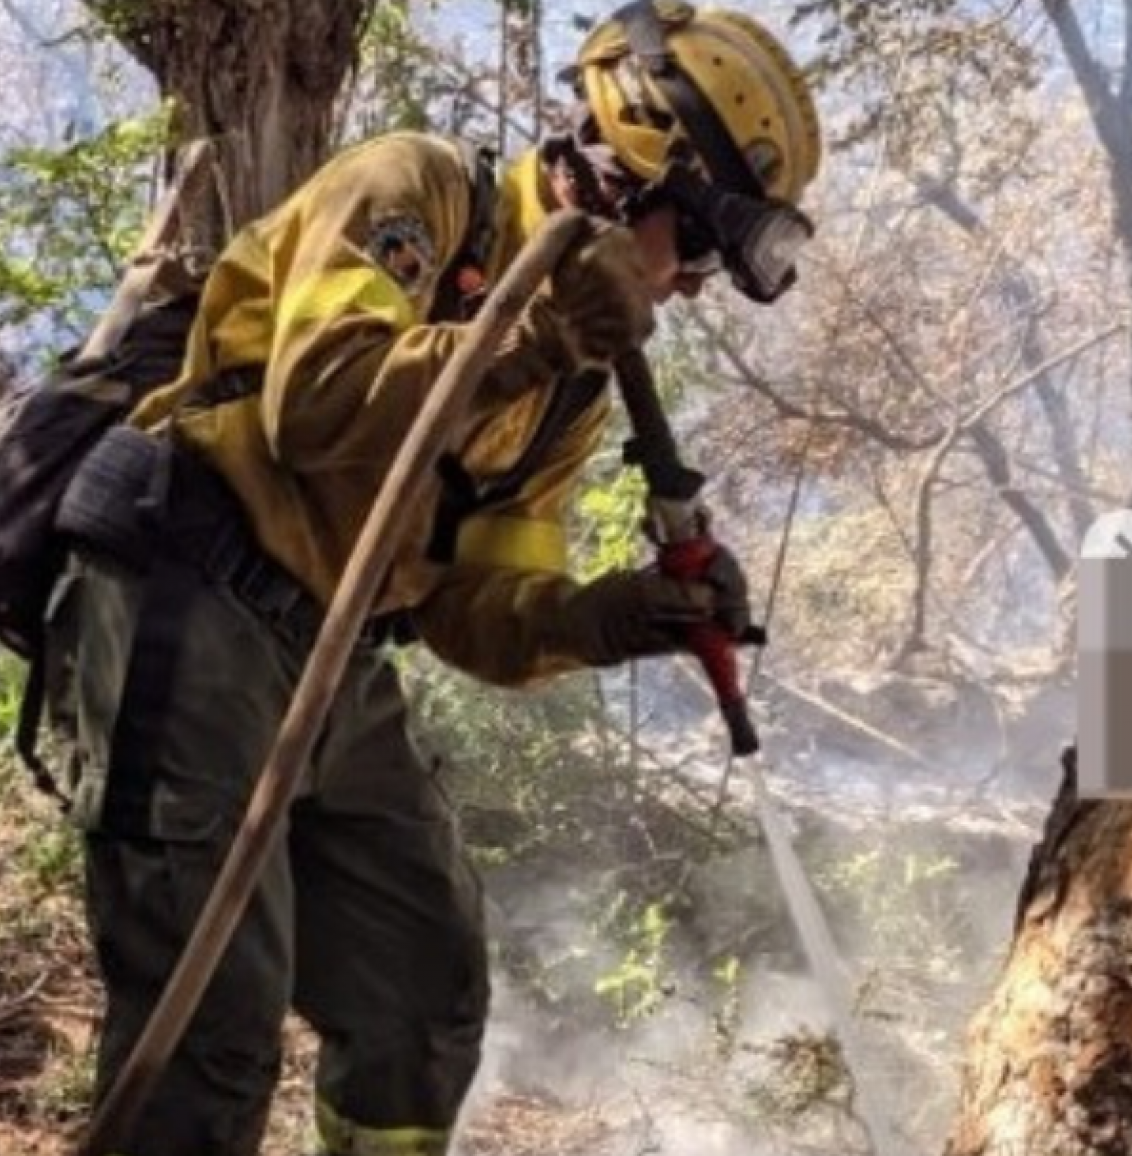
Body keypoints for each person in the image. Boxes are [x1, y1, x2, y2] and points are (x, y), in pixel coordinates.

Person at [41, 2, 821, 1153]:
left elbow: (474, 614)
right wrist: (534, 331)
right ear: (643, 171)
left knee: (423, 983)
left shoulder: (575, 393)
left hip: (330, 657)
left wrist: (614, 617)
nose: (694, 286)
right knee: (212, 1024)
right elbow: (312, 403)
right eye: (701, 245)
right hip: (187, 588)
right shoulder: (412, 191)